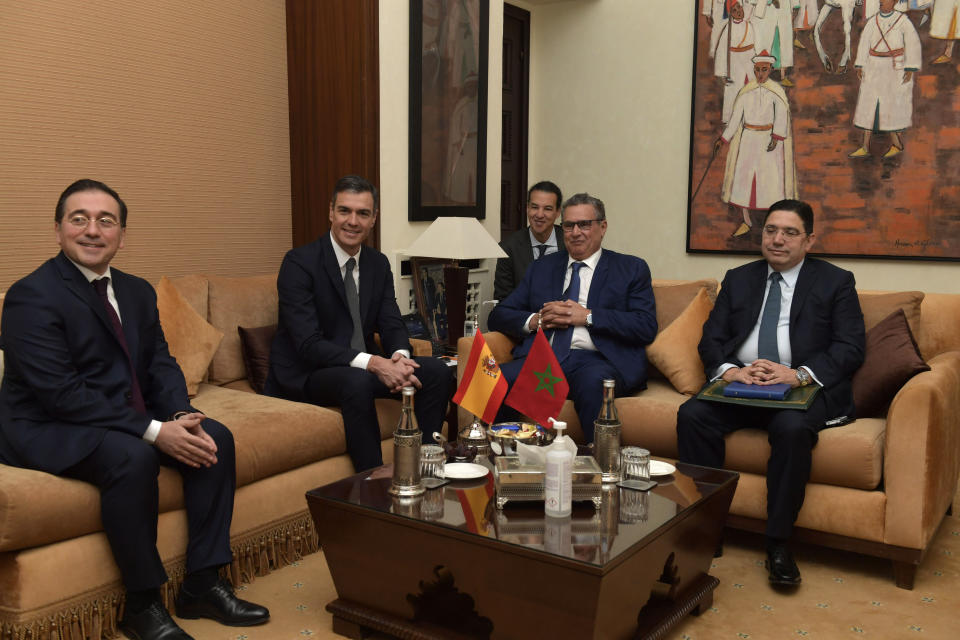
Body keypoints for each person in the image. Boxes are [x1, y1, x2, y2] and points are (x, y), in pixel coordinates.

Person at [0, 180, 269, 640]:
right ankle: (142, 605)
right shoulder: (31, 296)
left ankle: (203, 583)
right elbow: (61, 394)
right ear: (58, 231)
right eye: (78, 218)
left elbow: (159, 364)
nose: (92, 230)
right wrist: (152, 430)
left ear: (122, 236)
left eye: (106, 221)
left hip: (114, 418)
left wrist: (182, 415)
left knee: (214, 437)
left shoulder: (136, 291)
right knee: (134, 457)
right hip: (47, 425)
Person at [677, 199, 865, 586]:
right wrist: (732, 370)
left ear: (809, 240)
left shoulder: (836, 281)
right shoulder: (739, 277)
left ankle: (778, 543)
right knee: (692, 415)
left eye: (790, 232)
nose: (778, 240)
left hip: (799, 390)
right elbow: (711, 338)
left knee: (792, 430)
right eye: (770, 231)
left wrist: (798, 375)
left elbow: (850, 346)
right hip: (744, 386)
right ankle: (706, 529)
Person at [265, 175, 451, 471]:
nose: (352, 221)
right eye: (344, 211)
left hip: (360, 367)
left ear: (373, 218)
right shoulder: (299, 264)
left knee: (437, 371)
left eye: (362, 213)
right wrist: (376, 363)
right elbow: (308, 345)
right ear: (331, 212)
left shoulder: (377, 264)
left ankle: (424, 468)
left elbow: (391, 322)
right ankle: (372, 485)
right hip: (309, 372)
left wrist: (399, 359)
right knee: (358, 380)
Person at [488, 193, 657, 441]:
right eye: (569, 225)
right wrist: (536, 320)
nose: (575, 232)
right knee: (494, 379)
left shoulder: (631, 268)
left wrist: (588, 316)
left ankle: (599, 469)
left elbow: (645, 326)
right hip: (544, 358)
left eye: (584, 224)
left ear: (602, 227)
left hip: (597, 360)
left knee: (593, 384)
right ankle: (504, 460)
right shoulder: (543, 268)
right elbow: (499, 315)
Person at [717, 50, 797, 237]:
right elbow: (735, 119)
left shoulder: (777, 92)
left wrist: (776, 137)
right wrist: (723, 139)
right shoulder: (745, 92)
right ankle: (746, 221)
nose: (760, 73)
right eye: (757, 70)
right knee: (744, 181)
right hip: (748, 140)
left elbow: (782, 117)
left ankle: (772, 225)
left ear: (770, 70)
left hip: (769, 142)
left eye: (764, 69)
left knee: (770, 182)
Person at [849, 0, 922, 159]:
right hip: (873, 67)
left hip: (893, 70)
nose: (882, 1)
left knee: (891, 107)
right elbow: (864, 44)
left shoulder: (903, 21)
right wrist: (860, 64)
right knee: (868, 105)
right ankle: (865, 146)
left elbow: (913, 43)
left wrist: (910, 67)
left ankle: (897, 144)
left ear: (894, 2)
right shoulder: (872, 21)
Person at [493, 181, 567, 301]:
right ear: (527, 208)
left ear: (558, 212)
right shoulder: (509, 248)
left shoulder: (570, 243)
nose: (539, 214)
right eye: (534, 207)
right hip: (525, 318)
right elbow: (503, 300)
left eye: (547, 209)